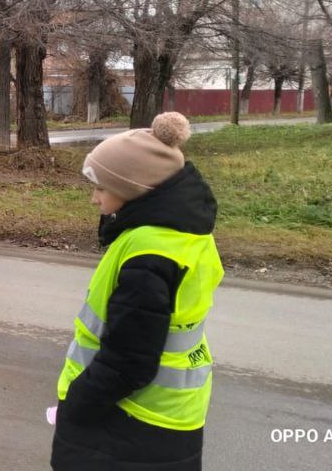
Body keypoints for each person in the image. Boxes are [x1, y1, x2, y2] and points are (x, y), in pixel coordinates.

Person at [52, 112, 222, 471]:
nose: (94, 199)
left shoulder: (148, 254)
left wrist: (77, 404)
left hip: (131, 423)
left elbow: (129, 361)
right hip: (166, 420)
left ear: (132, 189)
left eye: (100, 187)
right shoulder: (180, 234)